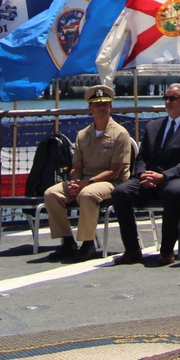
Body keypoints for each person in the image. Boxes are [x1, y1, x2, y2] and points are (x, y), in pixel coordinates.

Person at [111, 83, 180, 266]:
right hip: (148, 178)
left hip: (177, 179)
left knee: (173, 193)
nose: (168, 102)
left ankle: (166, 251)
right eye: (166, 98)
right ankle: (132, 250)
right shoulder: (154, 126)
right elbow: (141, 156)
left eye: (173, 98)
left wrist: (163, 177)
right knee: (120, 193)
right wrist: (143, 175)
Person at [43, 84, 132, 262]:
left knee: (87, 194)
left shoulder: (120, 134)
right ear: (90, 108)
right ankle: (67, 241)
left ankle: (87, 243)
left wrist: (88, 184)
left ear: (110, 107)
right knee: (51, 194)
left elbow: (115, 171)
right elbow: (77, 165)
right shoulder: (83, 135)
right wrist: (75, 182)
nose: (102, 108)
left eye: (105, 104)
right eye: (97, 105)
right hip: (85, 181)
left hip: (111, 183)